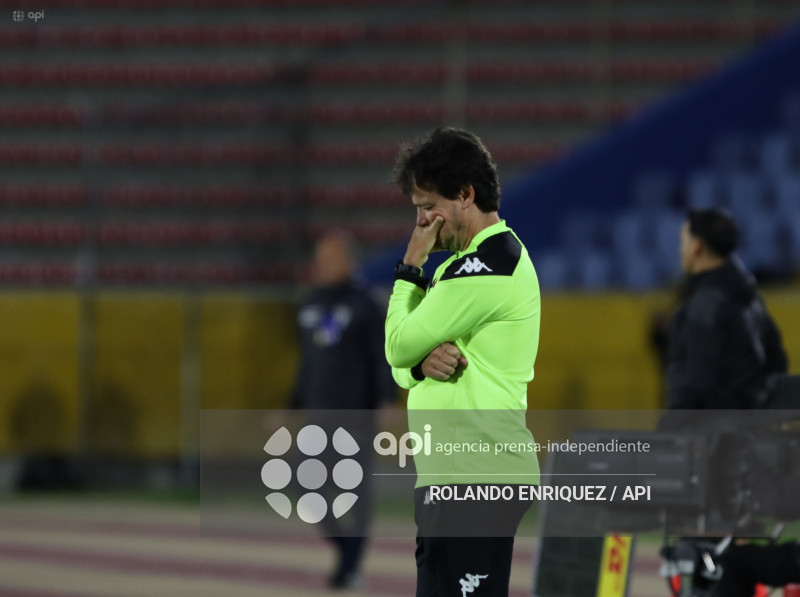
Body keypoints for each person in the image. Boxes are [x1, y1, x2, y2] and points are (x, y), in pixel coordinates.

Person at [384, 126, 541, 597]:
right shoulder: (471, 263)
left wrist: (410, 268)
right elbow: (402, 362)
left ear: (465, 195)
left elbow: (395, 343)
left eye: (427, 207)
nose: (423, 224)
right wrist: (416, 366)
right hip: (456, 478)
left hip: (476, 479)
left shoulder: (487, 267)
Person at [290, 231, 394, 590]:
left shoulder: (367, 303)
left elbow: (382, 356)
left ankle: (348, 567)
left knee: (355, 491)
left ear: (349, 262)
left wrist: (386, 399)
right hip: (319, 412)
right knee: (300, 483)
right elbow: (308, 362)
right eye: (319, 259)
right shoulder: (309, 305)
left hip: (356, 412)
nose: (322, 266)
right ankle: (347, 546)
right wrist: (292, 404)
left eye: (330, 259)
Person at [666, 208, 788, 411]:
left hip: (711, 432)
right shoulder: (751, 299)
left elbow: (698, 382)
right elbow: (776, 360)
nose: (681, 249)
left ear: (697, 247)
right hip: (750, 426)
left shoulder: (705, 304)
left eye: (683, 242)